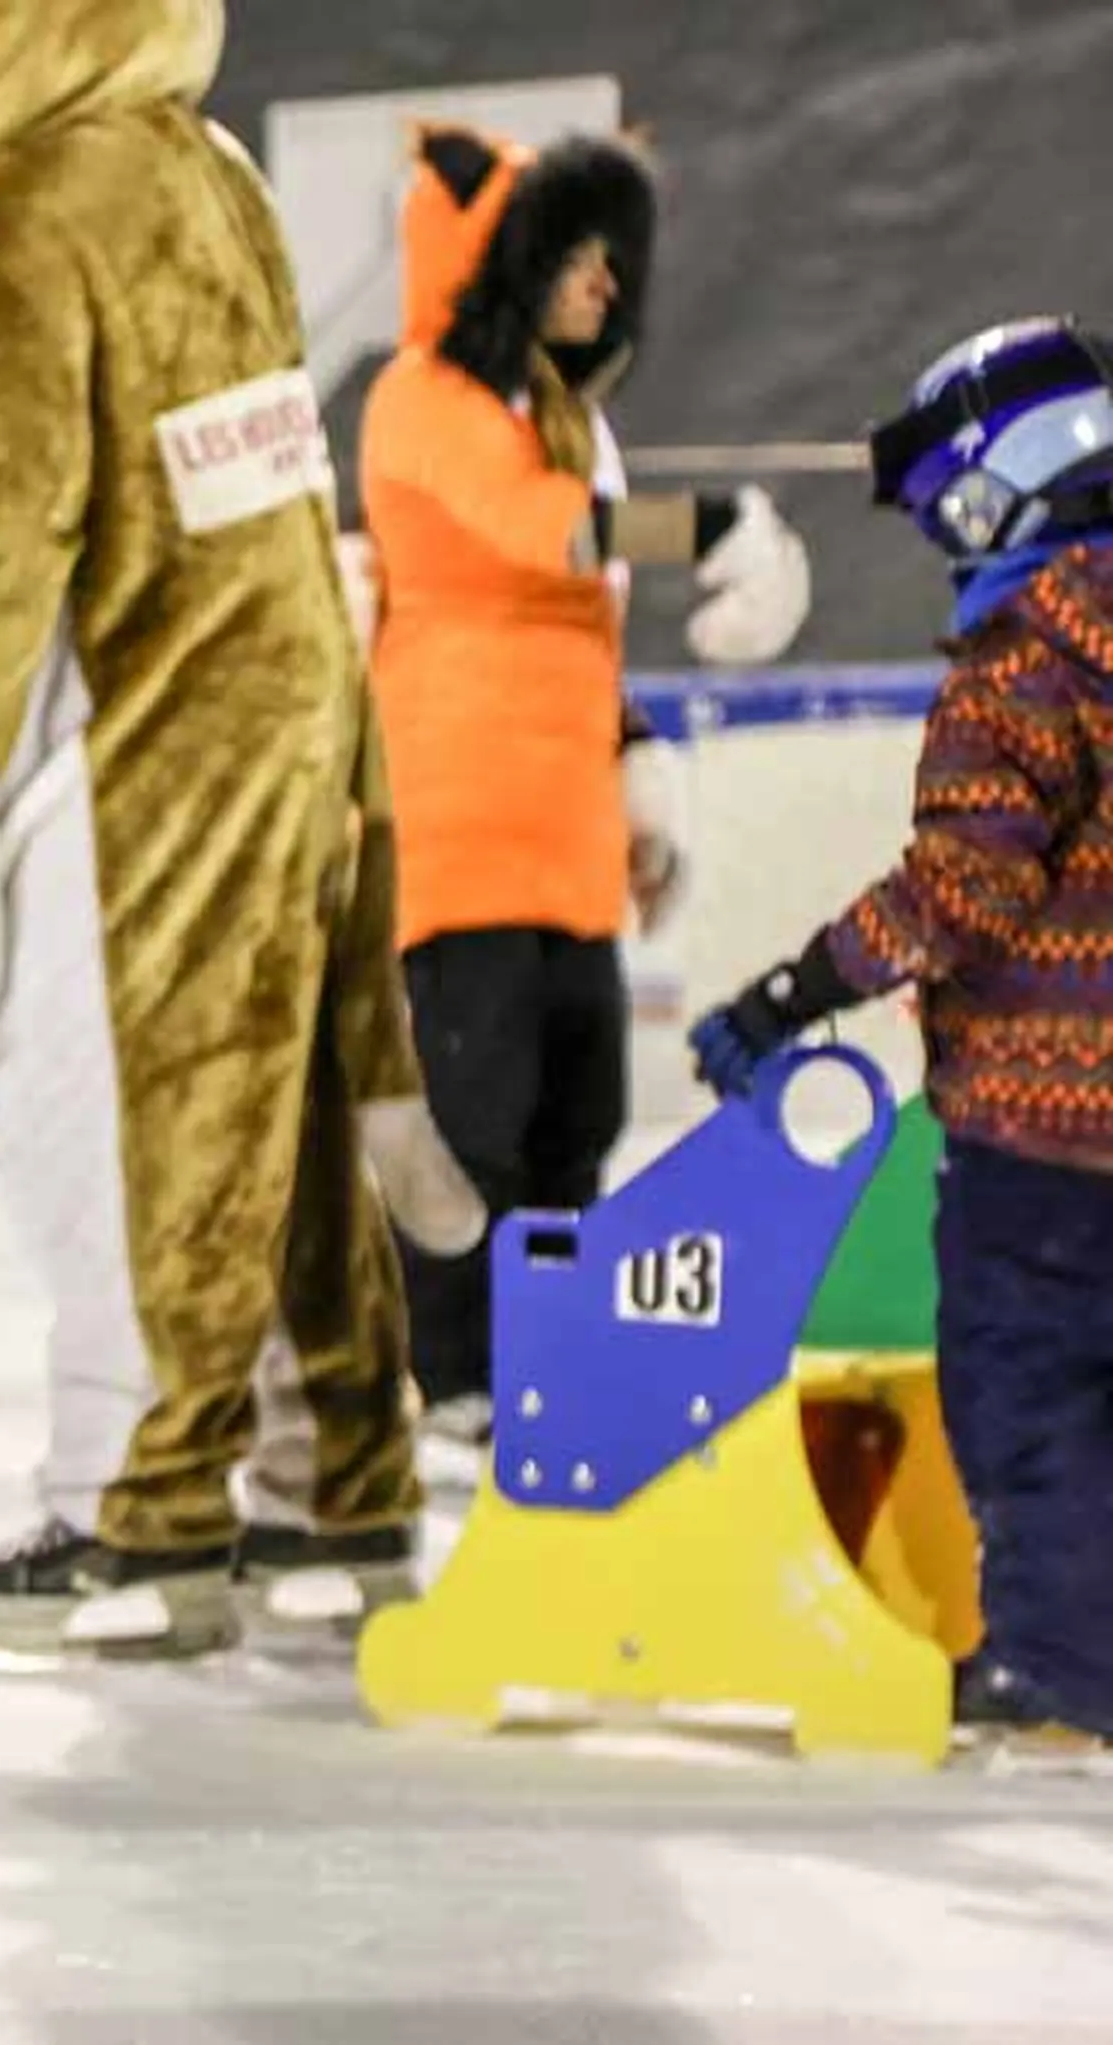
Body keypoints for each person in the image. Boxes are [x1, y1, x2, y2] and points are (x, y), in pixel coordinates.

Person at [0, 0, 482, 1659]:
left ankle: (144, 1505)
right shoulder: (208, 166)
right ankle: (342, 1477)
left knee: (124, 1135)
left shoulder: (30, 198)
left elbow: (2, 528)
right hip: (287, 686)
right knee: (293, 1119)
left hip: (142, 728)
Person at [689, 316, 1113, 1768]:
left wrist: (792, 991)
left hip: (1045, 1129)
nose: (949, 535)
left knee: (1031, 1392)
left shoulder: (1026, 658)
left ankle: (1063, 1681)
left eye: (952, 506)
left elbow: (963, 891)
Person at [358, 126, 811, 1451]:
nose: (604, 289)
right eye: (575, 261)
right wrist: (715, 522)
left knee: (578, 1120)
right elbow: (542, 535)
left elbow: (586, 629)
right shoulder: (422, 399)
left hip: (564, 847)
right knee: (468, 1122)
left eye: (615, 265)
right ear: (503, 263)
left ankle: (537, 1361)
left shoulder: (567, 424)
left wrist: (639, 788)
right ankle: (442, 1377)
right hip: (458, 836)